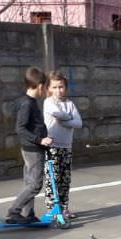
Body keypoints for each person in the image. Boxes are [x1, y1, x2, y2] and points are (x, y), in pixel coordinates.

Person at [6, 67, 53, 224]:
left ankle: (28, 214)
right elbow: (20, 128)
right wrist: (40, 140)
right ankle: (14, 212)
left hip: (30, 148)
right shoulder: (27, 104)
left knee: (29, 182)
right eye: (45, 87)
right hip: (33, 149)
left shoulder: (26, 101)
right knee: (35, 185)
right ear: (40, 86)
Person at [43, 70, 83, 220]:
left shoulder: (70, 104)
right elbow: (57, 113)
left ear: (65, 88)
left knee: (65, 179)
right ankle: (53, 209)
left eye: (61, 87)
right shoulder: (48, 102)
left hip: (67, 147)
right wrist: (68, 118)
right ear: (48, 89)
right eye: (54, 87)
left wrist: (65, 121)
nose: (58, 90)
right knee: (52, 179)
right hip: (52, 147)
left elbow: (79, 123)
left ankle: (64, 208)